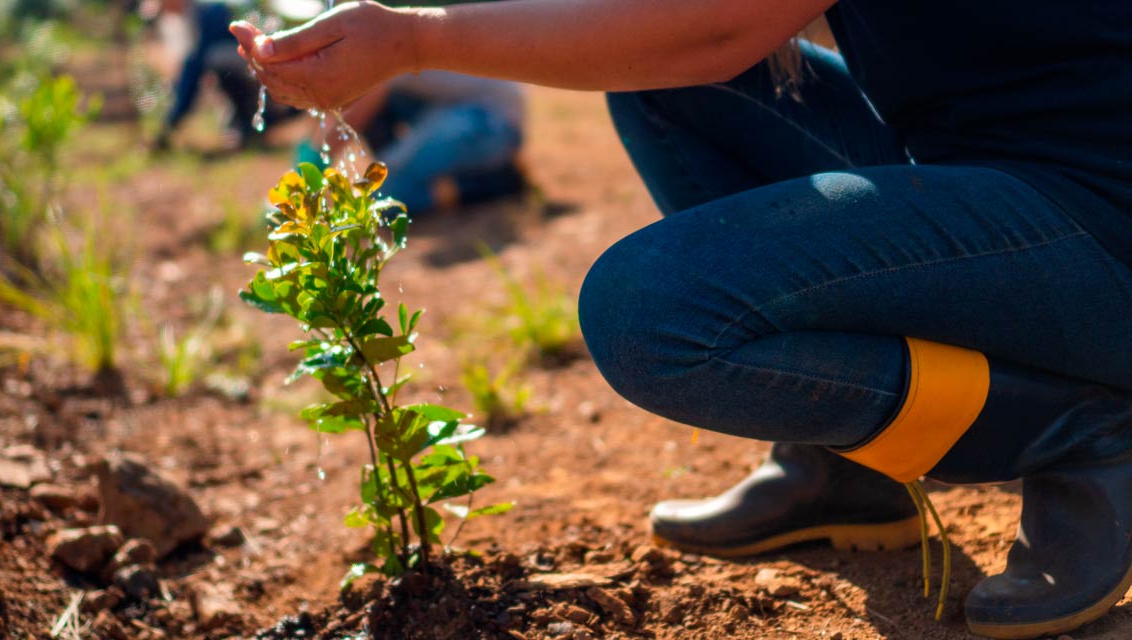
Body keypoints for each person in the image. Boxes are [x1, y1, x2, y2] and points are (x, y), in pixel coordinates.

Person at [229, 2, 1132, 637]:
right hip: (993, 171)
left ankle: (1080, 428)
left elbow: (712, 27)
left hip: (1102, 218)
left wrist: (415, 38)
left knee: (655, 314)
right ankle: (850, 467)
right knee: (664, 89)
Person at [295, 71, 526, 214]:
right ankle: (421, 176)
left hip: (490, 121)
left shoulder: (378, 48)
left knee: (384, 200)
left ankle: (494, 183)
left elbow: (352, 116)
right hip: (460, 109)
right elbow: (334, 111)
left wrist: (306, 173)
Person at [144, 0, 295, 150]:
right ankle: (246, 123)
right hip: (244, 64)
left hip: (250, 63)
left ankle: (255, 120)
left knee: (215, 61)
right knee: (214, 64)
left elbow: (194, 68)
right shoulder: (188, 18)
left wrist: (172, 121)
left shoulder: (207, 13)